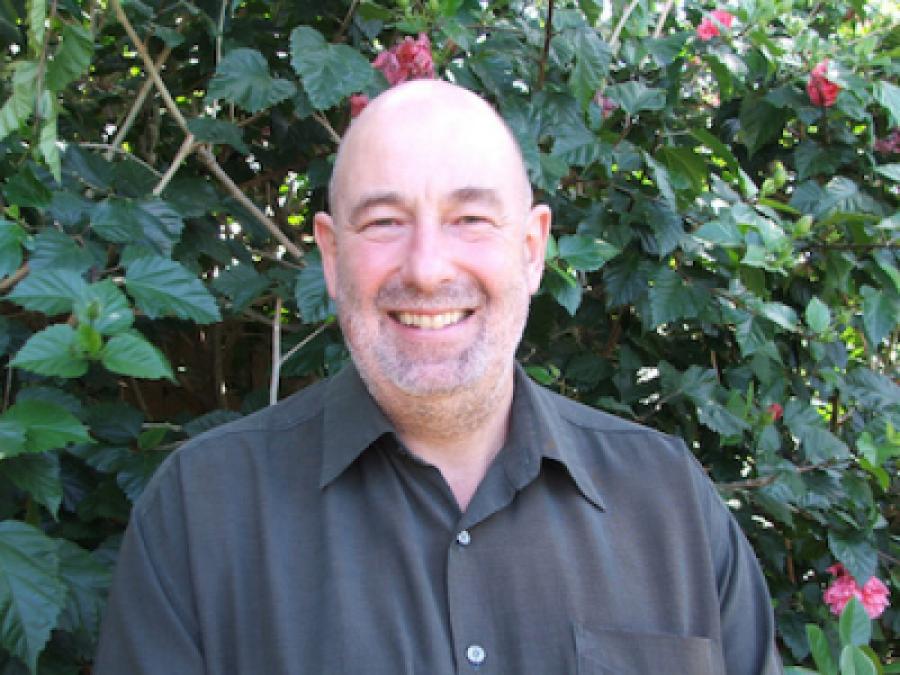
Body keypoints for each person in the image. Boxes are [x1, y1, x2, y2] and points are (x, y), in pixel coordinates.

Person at [94, 80, 783, 674]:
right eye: (385, 222)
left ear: (532, 249)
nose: (426, 269)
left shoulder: (669, 502)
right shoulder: (200, 514)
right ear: (331, 257)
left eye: (470, 219)